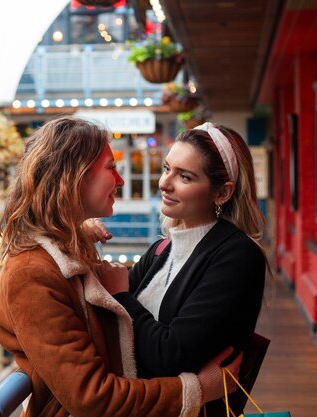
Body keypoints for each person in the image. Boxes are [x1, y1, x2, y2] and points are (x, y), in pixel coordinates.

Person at [0, 116, 241, 417]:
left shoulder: (62, 253)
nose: (120, 181)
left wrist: (76, 231)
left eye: (184, 176)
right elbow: (92, 397)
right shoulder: (31, 274)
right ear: (74, 177)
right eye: (111, 168)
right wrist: (196, 389)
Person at [98, 122, 269, 416]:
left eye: (185, 176)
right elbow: (108, 318)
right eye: (167, 169)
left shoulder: (237, 257)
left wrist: (123, 296)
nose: (165, 182)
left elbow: (170, 356)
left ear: (222, 193)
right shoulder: (162, 249)